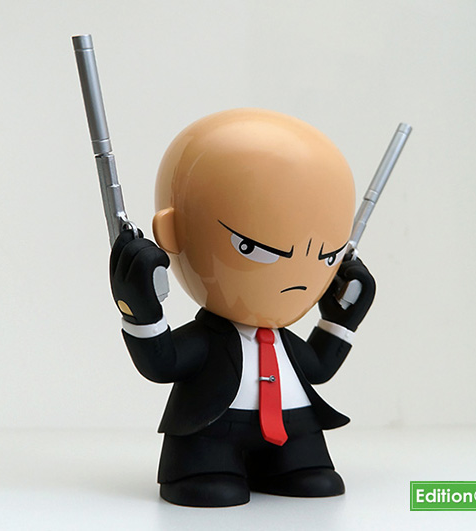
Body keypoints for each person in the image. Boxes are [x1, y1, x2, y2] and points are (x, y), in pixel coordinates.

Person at [110, 108, 375, 507]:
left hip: (295, 431)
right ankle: (206, 470)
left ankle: (291, 465)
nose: (299, 277)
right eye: (252, 248)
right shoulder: (206, 341)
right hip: (209, 437)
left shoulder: (286, 343)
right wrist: (140, 310)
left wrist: (340, 322)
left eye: (327, 256)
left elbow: (318, 369)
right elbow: (162, 365)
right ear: (172, 233)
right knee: (209, 485)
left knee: (314, 480)